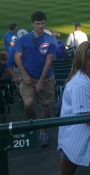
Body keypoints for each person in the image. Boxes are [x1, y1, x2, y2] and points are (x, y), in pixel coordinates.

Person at [58, 41, 90, 175]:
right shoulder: (79, 83)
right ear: (86, 59)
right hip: (76, 136)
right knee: (65, 173)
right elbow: (88, 118)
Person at [13, 11, 58, 147]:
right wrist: (24, 75)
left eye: (43, 23)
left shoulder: (51, 39)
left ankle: (43, 131)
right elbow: (17, 57)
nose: (40, 26)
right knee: (27, 104)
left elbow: (48, 62)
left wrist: (41, 81)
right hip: (28, 78)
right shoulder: (24, 39)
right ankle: (32, 122)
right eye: (38, 24)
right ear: (32, 23)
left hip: (46, 78)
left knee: (45, 106)